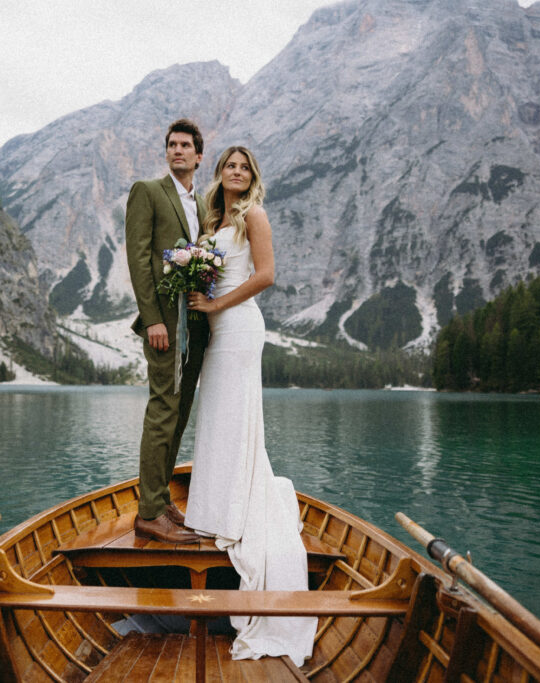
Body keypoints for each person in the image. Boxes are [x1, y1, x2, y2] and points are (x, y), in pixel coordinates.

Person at [184, 146, 317, 667]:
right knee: (218, 417)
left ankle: (234, 509)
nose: (236, 173)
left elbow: (265, 275)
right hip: (220, 329)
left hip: (240, 327)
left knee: (235, 416)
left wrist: (215, 303)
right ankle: (215, 506)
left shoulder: (253, 214)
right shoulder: (214, 219)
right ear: (219, 173)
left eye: (244, 168)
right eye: (229, 166)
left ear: (251, 177)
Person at [125, 119, 209, 544]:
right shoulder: (148, 192)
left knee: (179, 414)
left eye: (185, 146)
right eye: (171, 145)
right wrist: (153, 318)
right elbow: (139, 259)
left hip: (196, 322)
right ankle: (149, 513)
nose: (177, 151)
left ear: (198, 155)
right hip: (165, 324)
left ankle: (161, 500)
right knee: (162, 410)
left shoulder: (204, 203)